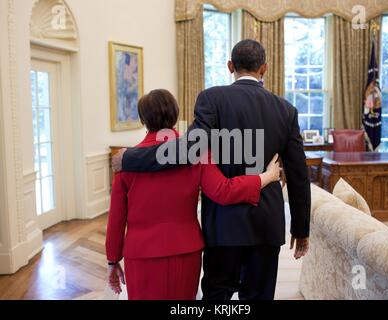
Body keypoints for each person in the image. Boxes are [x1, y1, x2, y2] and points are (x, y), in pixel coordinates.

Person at [113, 40, 311, 300]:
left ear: (230, 66)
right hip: (267, 226)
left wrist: (129, 158)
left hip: (223, 225)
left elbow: (187, 149)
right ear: (265, 68)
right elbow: (299, 176)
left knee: (217, 298)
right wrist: (301, 229)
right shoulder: (286, 110)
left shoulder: (212, 99)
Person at [106, 89, 282, 300]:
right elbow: (223, 190)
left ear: (143, 120)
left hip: (141, 252)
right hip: (186, 249)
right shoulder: (197, 152)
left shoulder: (125, 161)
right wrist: (266, 177)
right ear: (176, 115)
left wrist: (112, 260)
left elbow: (116, 219)